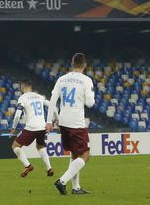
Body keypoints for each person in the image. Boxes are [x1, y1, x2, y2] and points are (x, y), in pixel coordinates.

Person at [49, 52, 95, 196]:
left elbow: (52, 100)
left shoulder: (62, 79)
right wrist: (91, 95)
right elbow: (90, 103)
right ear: (85, 65)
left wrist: (48, 121)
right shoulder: (86, 80)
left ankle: (76, 187)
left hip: (63, 121)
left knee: (75, 154)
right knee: (85, 155)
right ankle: (62, 181)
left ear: (72, 64)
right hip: (76, 122)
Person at [10, 80, 53, 178]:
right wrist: (53, 120)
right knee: (40, 146)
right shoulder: (39, 96)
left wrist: (13, 127)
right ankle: (49, 168)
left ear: (22, 86)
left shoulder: (23, 97)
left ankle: (27, 166)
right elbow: (52, 106)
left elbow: (17, 115)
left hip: (31, 127)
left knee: (15, 146)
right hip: (42, 127)